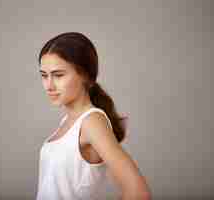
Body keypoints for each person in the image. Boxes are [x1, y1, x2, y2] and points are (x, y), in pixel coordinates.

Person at [36, 32, 151, 200]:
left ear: (85, 75)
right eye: (44, 76)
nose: (49, 85)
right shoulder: (68, 121)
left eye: (58, 75)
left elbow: (139, 193)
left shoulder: (92, 122)